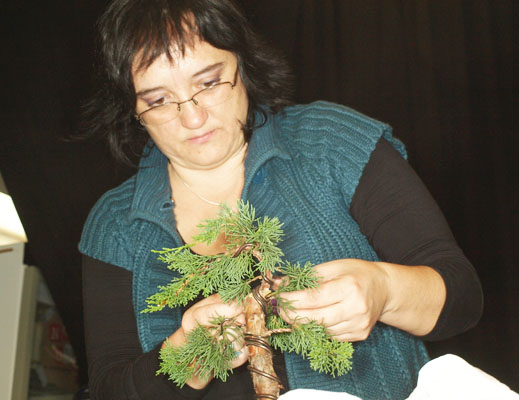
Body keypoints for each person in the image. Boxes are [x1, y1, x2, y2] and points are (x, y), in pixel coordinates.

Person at [78, 1, 483, 399]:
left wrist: (386, 291)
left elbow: (462, 295)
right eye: (158, 100)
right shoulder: (115, 224)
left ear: (243, 65)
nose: (192, 117)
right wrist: (186, 356)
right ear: (133, 109)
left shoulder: (329, 144)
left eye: (208, 82)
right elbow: (109, 387)